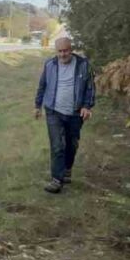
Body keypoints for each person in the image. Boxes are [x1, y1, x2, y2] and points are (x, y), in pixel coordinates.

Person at [33, 37, 95, 193]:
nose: (62, 54)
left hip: (75, 113)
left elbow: (90, 87)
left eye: (66, 50)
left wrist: (87, 106)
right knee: (57, 146)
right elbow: (42, 85)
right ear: (56, 51)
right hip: (53, 110)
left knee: (72, 144)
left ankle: (67, 168)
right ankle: (56, 180)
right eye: (59, 51)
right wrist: (37, 106)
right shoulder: (50, 64)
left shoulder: (83, 65)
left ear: (71, 49)